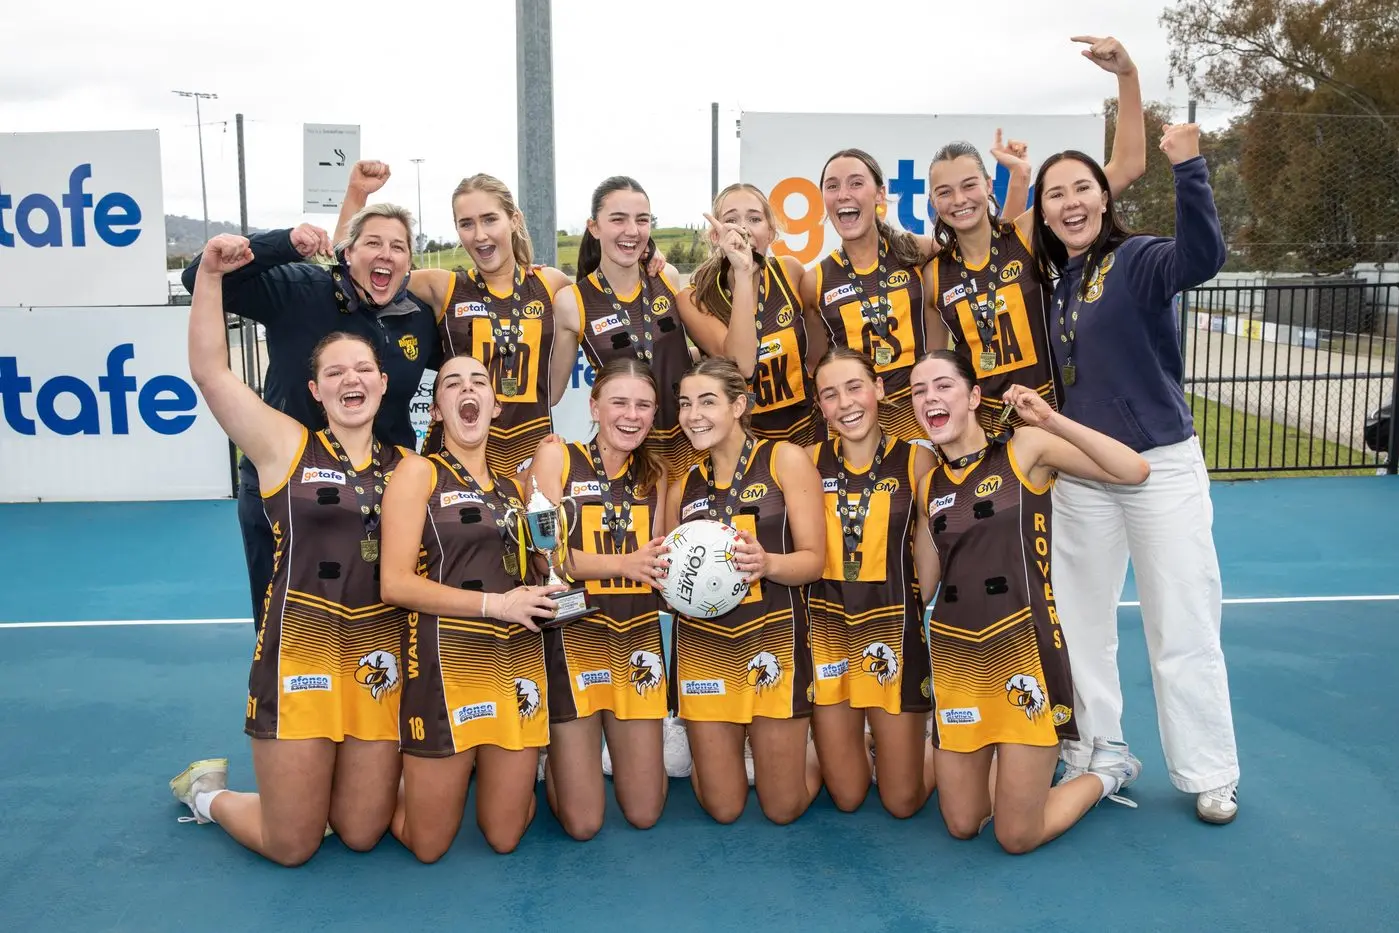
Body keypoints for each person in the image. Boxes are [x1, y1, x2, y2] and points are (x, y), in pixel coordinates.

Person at [169, 235, 413, 866]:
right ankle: (208, 793)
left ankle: (314, 786)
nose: (350, 379)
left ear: (385, 384)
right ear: (315, 389)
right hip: (300, 658)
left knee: (361, 832)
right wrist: (211, 279)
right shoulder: (284, 447)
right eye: (334, 372)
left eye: (362, 369)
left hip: (377, 666)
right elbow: (210, 372)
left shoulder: (415, 469)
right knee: (293, 845)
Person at [1031, 123, 1241, 824]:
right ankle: (1095, 750)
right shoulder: (1052, 283)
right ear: (1041, 211)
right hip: (1081, 476)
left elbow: (1200, 258)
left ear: (1102, 196)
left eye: (1080, 188)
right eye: (1053, 193)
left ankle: (1208, 771)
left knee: (1180, 623)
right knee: (1080, 624)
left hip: (1158, 467)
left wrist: (1189, 169)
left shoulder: (1138, 257)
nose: (1068, 202)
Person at [909, 349, 1150, 853]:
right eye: (917, 391)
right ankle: (1012, 763)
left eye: (943, 386)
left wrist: (1052, 419)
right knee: (962, 823)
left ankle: (1107, 770)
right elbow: (923, 585)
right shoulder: (929, 482)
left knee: (1016, 836)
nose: (929, 397)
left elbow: (1133, 470)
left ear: (974, 397)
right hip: (957, 661)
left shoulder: (1025, 449)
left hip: (1023, 652)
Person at [182, 203, 441, 629]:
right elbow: (200, 278)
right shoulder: (301, 287)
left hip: (376, 500)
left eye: (398, 247)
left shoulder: (418, 319)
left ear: (409, 262)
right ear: (347, 252)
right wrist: (282, 243)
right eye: (373, 243)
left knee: (379, 629)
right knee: (281, 629)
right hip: (285, 490)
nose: (386, 255)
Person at [378, 353, 566, 861]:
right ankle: (402, 781)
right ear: (437, 409)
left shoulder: (512, 488)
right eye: (452, 384)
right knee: (428, 845)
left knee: (505, 837)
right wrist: (495, 605)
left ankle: (481, 769)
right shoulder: (418, 472)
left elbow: (533, 574)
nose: (468, 390)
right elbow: (394, 584)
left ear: (495, 405)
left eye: (479, 382)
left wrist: (549, 571)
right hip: (445, 664)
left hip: (516, 665)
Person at [926, 36, 1145, 433]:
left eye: (969, 185)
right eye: (944, 191)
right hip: (988, 436)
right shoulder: (933, 275)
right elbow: (938, 369)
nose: (959, 199)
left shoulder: (1025, 234)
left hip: (1058, 420)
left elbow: (1127, 166)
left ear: (988, 185)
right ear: (933, 201)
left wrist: (1127, 76)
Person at [335, 165, 583, 475]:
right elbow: (354, 266)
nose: (480, 235)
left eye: (490, 219)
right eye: (466, 224)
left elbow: (607, 293)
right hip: (456, 461)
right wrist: (357, 195)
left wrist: (651, 261)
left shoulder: (552, 283)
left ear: (514, 219)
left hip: (530, 458)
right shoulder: (444, 286)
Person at [523, 358, 680, 839]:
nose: (631, 415)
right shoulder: (558, 458)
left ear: (654, 415)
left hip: (636, 638)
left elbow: (663, 560)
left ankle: (603, 752)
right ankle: (558, 761)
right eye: (619, 402)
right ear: (593, 406)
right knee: (584, 823)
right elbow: (541, 554)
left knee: (645, 812)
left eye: (643, 405)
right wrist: (621, 563)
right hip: (574, 640)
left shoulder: (659, 476)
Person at [666, 358, 826, 824]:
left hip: (770, 641)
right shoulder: (684, 484)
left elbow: (814, 561)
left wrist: (769, 562)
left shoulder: (784, 459)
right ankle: (728, 753)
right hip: (704, 648)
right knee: (723, 807)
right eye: (685, 404)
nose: (694, 414)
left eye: (708, 401)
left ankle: (815, 753)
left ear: (739, 405)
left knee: (782, 808)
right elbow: (664, 571)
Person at [806, 347, 936, 818]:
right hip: (828, 640)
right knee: (848, 796)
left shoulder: (918, 459)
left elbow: (931, 548)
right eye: (830, 394)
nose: (845, 403)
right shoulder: (803, 461)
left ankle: (951, 743)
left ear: (879, 389)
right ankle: (859, 738)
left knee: (901, 802)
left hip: (893, 639)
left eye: (855, 387)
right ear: (820, 406)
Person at [555, 177, 697, 481]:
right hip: (629, 453)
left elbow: (700, 353)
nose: (632, 231)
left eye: (642, 220)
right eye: (618, 219)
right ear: (594, 227)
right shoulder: (572, 301)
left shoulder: (668, 276)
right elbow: (550, 393)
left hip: (691, 443)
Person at [679, 184, 818, 446]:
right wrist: (742, 274)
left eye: (754, 219)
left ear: (771, 232)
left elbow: (816, 349)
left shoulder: (790, 271)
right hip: (743, 447)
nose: (742, 229)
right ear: (715, 235)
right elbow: (741, 364)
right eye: (731, 220)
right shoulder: (694, 299)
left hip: (807, 436)